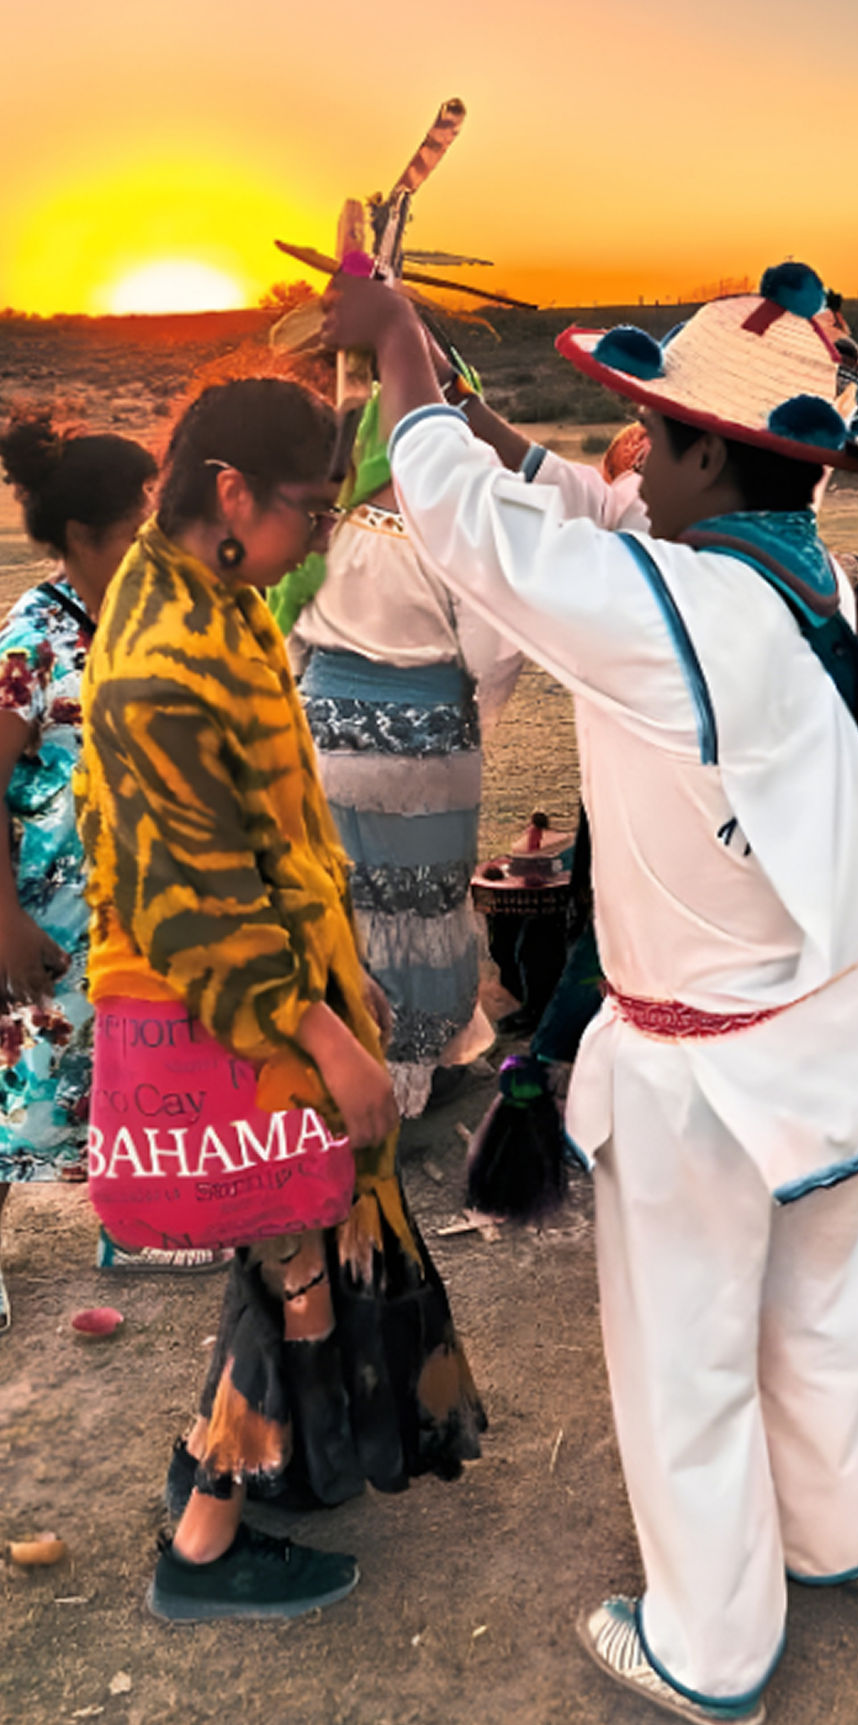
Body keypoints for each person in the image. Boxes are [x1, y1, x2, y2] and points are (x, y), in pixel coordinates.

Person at [321, 262, 858, 1724]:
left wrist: (394, 352)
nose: (626, 453)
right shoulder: (798, 568)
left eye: (652, 432)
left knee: (686, 1359)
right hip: (826, 1044)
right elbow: (579, 509)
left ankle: (710, 1653)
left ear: (713, 454)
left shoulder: (681, 613)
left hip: (704, 1083)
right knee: (822, 1318)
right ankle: (839, 1534)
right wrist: (465, 395)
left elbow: (474, 532)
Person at [75, 377, 486, 1624]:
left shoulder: (215, 597)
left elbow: (278, 837)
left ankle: (281, 1471)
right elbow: (196, 908)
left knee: (289, 1232)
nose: (321, 535)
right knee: (290, 1243)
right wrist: (324, 1035)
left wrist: (339, 962)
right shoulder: (158, 664)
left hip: (279, 988)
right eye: (309, 509)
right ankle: (201, 1547)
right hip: (229, 1013)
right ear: (232, 495)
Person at [287, 381, 522, 1116]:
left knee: (345, 894)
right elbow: (492, 651)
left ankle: (344, 1054)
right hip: (425, 733)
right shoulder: (451, 524)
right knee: (426, 900)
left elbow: (288, 629)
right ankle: (418, 1063)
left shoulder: (321, 521)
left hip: (325, 725)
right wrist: (464, 717)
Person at [0, 412, 160, 1330]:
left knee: (123, 1075)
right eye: (136, 527)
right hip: (46, 914)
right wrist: (9, 925)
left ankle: (130, 1222)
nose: (150, 540)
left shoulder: (141, 621)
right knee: (19, 1093)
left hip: (131, 907)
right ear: (80, 538)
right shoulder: (29, 642)